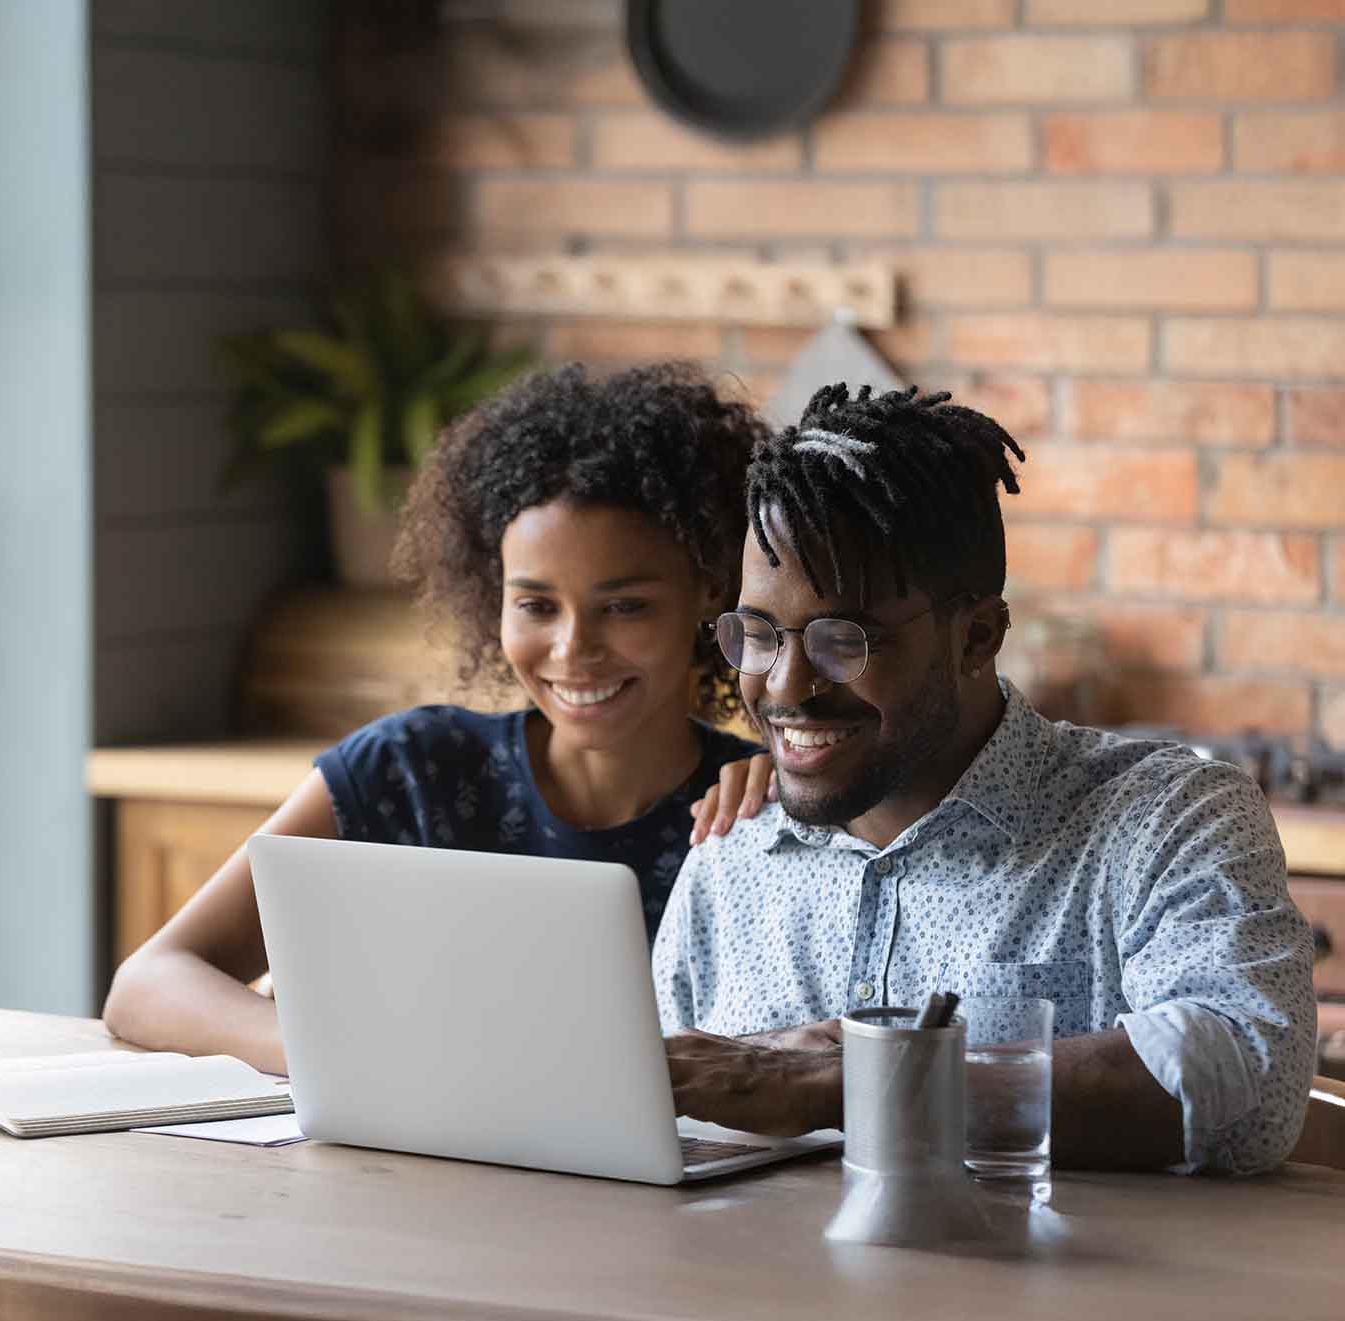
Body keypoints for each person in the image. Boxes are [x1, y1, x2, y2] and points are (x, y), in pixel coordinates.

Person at [655, 382, 1317, 1175]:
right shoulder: (731, 854)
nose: (786, 686)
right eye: (758, 634)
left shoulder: (1166, 819)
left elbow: (1245, 1075)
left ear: (977, 637)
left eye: (845, 640)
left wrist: (846, 1083)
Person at [102, 360, 772, 1077]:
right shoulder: (409, 769)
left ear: (708, 590)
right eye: (536, 606)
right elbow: (147, 983)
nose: (573, 650)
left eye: (624, 606)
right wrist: (332, 1053)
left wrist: (796, 801)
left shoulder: (757, 812)